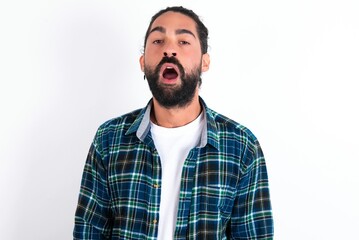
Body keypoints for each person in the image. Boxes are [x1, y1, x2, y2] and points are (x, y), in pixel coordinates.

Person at [73, 6, 274, 239]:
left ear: (205, 62)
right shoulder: (109, 139)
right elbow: (89, 231)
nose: (169, 49)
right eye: (158, 41)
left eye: (184, 42)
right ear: (142, 62)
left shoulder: (241, 146)